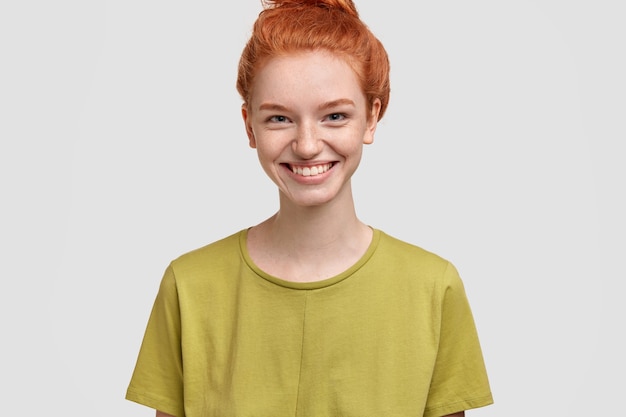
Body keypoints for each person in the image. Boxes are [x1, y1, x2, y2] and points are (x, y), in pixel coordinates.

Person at [125, 0, 494, 416]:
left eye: (334, 115)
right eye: (279, 119)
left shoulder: (433, 288)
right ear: (249, 126)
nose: (306, 145)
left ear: (372, 117)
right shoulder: (189, 286)